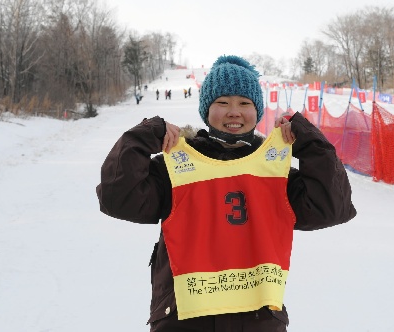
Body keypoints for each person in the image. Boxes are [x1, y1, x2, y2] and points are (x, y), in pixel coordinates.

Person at [96, 55, 356, 332]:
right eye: (222, 103)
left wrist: (308, 141)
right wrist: (146, 134)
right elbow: (118, 198)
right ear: (207, 110)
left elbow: (331, 207)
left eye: (244, 103)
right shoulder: (176, 165)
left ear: (257, 111)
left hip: (258, 320)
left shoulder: (273, 172)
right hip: (183, 319)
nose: (234, 111)